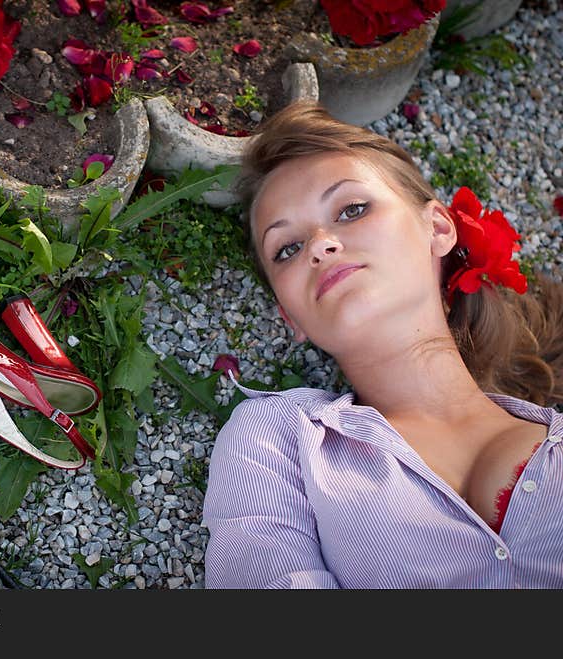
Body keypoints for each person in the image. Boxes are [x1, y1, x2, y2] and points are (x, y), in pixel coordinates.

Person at [202, 100, 563, 588]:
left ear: (436, 229)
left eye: (352, 210)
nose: (320, 245)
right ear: (292, 317)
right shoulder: (279, 442)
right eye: (287, 248)